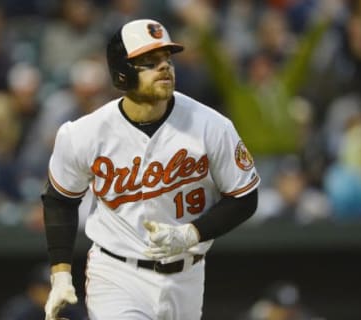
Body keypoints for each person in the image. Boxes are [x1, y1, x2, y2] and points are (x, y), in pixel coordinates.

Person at [41, 19, 260, 320]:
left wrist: (192, 233)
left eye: (167, 59)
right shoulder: (84, 133)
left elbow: (245, 197)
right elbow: (60, 199)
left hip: (188, 275)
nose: (165, 68)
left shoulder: (212, 126)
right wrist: (61, 274)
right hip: (117, 272)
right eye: (149, 62)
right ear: (121, 74)